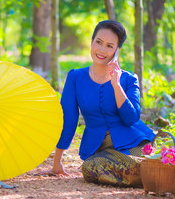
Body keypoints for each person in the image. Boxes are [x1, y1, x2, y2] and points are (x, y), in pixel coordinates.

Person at [47, 20, 155, 187]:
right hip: (99, 149)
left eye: (109, 46)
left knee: (141, 159)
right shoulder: (75, 77)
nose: (102, 50)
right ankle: (150, 174)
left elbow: (131, 119)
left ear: (117, 51)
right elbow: (68, 119)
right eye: (98, 42)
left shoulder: (129, 79)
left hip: (133, 141)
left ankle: (151, 171)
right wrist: (57, 162)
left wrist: (116, 84)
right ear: (91, 42)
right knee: (89, 168)